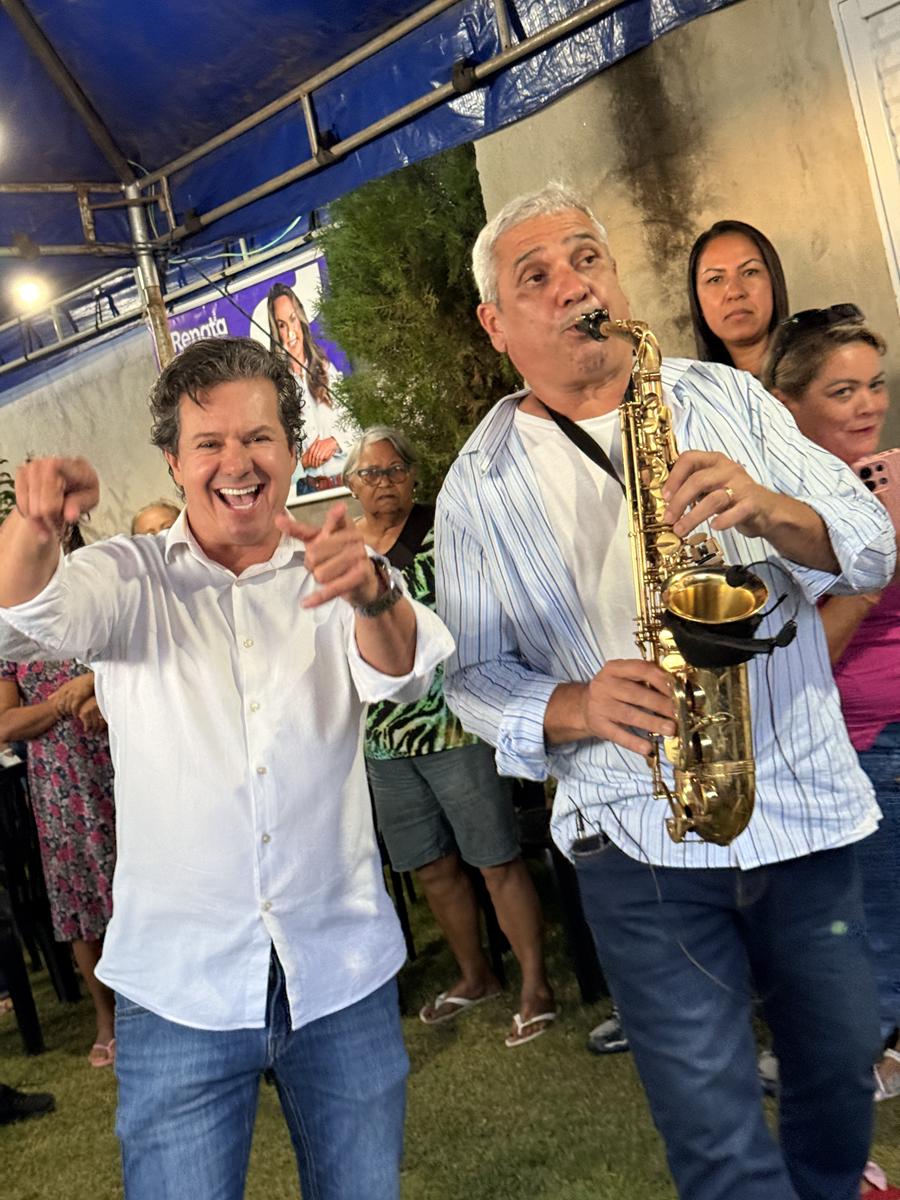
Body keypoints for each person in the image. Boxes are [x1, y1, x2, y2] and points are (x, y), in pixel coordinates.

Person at [434, 183, 896, 1200]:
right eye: (537, 276)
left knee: (839, 1065)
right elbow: (470, 677)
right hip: (635, 829)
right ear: (496, 324)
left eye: (587, 258)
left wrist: (771, 509)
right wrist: (576, 706)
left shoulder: (724, 397)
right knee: (714, 1133)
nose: (574, 286)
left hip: (801, 800)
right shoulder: (478, 486)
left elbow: (870, 546)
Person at [0, 336, 452, 1200]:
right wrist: (34, 525)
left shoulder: (339, 564)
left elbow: (404, 673)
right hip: (180, 987)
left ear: (291, 448)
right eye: (209, 443)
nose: (237, 463)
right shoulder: (125, 577)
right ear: (174, 462)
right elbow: (22, 615)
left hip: (337, 974)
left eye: (258, 438)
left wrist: (373, 596)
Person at [348, 425, 555, 1046]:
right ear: (351, 485)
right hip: (383, 739)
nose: (383, 483)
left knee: (495, 858)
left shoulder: (445, 531)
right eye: (369, 473)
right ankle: (475, 975)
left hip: (455, 723)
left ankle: (536, 985)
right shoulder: (344, 551)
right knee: (430, 865)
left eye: (394, 470)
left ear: (413, 475)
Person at [763, 306, 900, 1101]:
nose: (867, 405)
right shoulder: (779, 509)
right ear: (788, 406)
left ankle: (871, 1057)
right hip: (820, 738)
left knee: (874, 915)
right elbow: (798, 652)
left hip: (879, 736)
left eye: (874, 385)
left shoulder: (886, 480)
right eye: (842, 391)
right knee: (846, 918)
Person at [0, 522, 116, 1068]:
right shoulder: (8, 634)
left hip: (124, 769)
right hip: (60, 790)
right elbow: (5, 723)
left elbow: (141, 676)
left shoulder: (99, 602)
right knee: (80, 900)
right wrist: (62, 702)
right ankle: (106, 1017)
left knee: (146, 885)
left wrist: (99, 691)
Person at [267, 282, 353, 495]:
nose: (290, 332)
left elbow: (357, 431)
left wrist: (336, 442)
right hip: (308, 493)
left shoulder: (326, 370)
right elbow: (272, 463)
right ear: (276, 332)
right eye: (281, 325)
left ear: (301, 320)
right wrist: (301, 463)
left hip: (347, 483)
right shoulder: (275, 389)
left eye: (292, 319)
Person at [688, 219, 789, 377]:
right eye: (715, 279)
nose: (735, 292)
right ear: (698, 302)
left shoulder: (818, 374)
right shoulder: (688, 390)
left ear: (774, 283)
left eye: (750, 272)